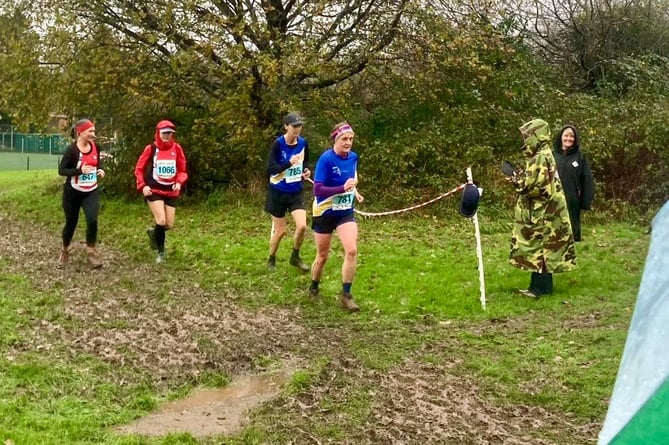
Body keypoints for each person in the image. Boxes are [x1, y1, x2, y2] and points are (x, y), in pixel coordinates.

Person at [508, 118, 577, 298]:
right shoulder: (542, 154)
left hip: (545, 212)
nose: (525, 140)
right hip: (545, 211)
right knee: (539, 250)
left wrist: (516, 180)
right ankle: (536, 287)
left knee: (543, 250)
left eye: (527, 136)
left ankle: (540, 290)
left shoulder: (540, 157)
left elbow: (536, 189)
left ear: (536, 135)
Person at [309, 122, 364, 312]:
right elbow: (318, 190)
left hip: (345, 213)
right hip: (324, 212)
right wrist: (342, 188)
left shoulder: (353, 158)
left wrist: (354, 192)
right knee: (322, 256)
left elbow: (351, 180)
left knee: (351, 251)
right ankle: (314, 286)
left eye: (351, 139)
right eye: (344, 139)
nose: (348, 143)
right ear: (335, 140)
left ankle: (346, 295)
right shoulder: (326, 160)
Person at [134, 120, 188, 263]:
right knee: (161, 220)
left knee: (168, 224)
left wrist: (179, 182)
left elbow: (182, 170)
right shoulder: (150, 149)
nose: (167, 136)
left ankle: (154, 233)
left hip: (170, 190)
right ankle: (161, 252)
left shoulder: (177, 149)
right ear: (158, 133)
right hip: (154, 189)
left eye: (169, 133)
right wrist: (142, 186)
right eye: (164, 133)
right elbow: (139, 169)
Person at [265, 112, 312, 272]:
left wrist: (306, 171)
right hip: (277, 192)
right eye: (294, 126)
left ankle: (295, 256)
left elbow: (305, 161)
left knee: (302, 226)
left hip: (295, 192)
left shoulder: (303, 143)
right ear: (286, 126)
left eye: (300, 126)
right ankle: (271, 258)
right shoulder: (278, 144)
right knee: (281, 232)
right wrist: (287, 163)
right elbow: (270, 169)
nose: (298, 129)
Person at [58, 118, 106, 268]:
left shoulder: (95, 147)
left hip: (90, 190)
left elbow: (97, 162)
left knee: (92, 220)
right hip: (73, 192)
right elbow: (61, 170)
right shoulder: (72, 151)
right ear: (80, 132)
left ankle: (91, 252)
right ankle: (65, 249)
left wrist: (101, 169)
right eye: (90, 131)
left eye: (93, 131)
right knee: (71, 224)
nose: (94, 134)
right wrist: (79, 171)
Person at [553, 125, 595, 242]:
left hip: (572, 198)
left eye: (572, 136)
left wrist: (585, 201)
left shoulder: (580, 157)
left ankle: (574, 245)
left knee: (572, 226)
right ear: (561, 137)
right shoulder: (552, 155)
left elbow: (587, 179)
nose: (569, 139)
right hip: (554, 197)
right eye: (566, 135)